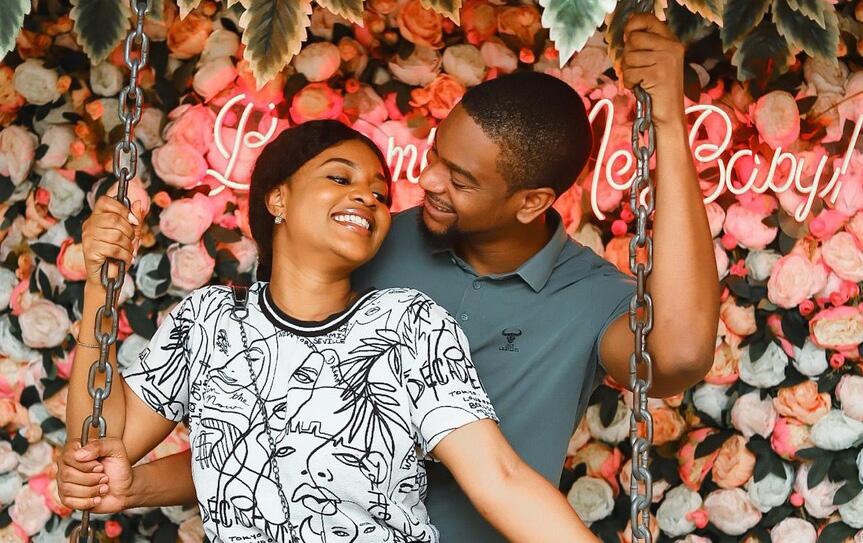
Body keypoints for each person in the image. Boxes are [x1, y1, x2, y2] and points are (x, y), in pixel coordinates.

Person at [60, 13, 718, 542]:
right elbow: (274, 431)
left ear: (531, 203)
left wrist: (666, 123)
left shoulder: (447, 317)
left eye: (459, 179)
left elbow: (507, 473)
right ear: (280, 199)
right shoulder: (351, 249)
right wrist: (131, 481)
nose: (419, 184)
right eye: (434, 157)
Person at [61, 119, 600, 542]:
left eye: (380, 194)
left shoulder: (408, 323)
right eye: (340, 178)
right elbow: (99, 447)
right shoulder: (207, 319)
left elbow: (500, 479)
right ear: (278, 198)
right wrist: (99, 286)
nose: (367, 198)